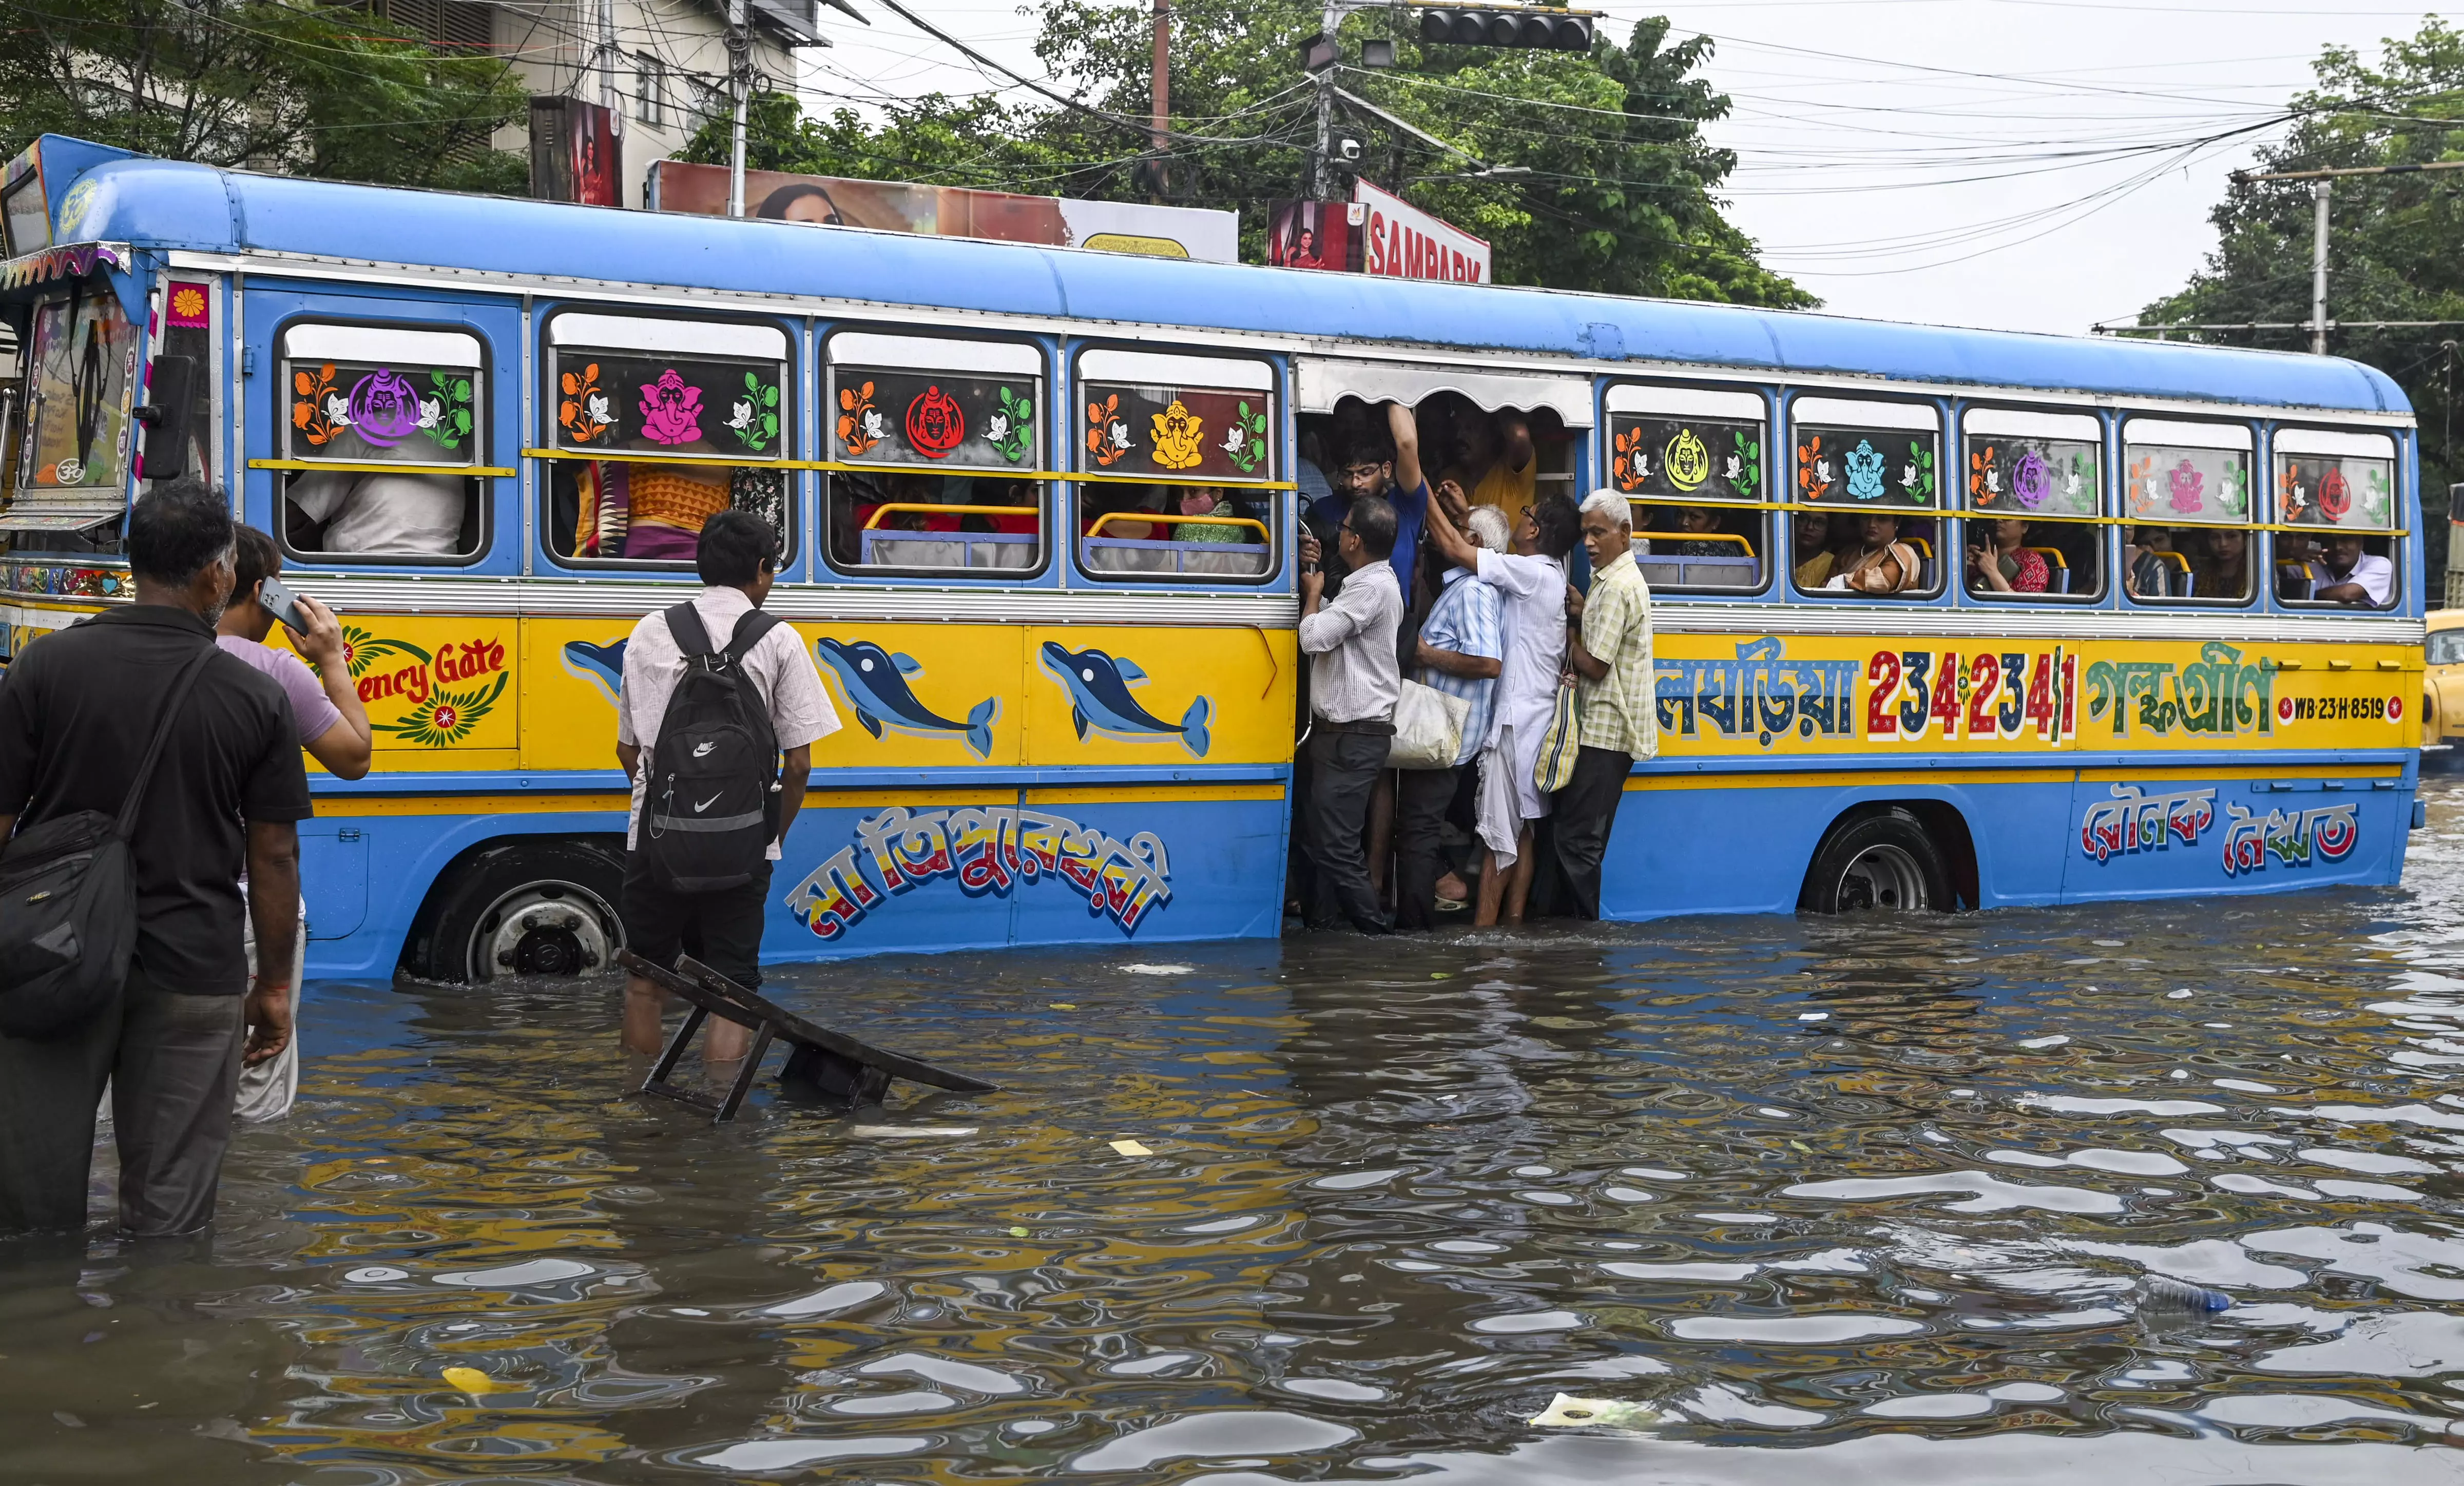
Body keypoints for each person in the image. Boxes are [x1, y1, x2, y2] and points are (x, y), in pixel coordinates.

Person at [0, 480, 310, 1238]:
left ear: (135, 563)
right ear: (218, 575)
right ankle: (163, 1342)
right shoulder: (254, 696)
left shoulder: (45, 668)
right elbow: (273, 857)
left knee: (28, 1219)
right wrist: (272, 987)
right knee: (170, 1226)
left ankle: (43, 1345)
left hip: (49, 960)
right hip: (193, 972)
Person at [615, 511, 839, 1059]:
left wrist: (668, 813)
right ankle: (719, 1123)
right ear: (762, 570)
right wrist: (769, 837)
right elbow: (800, 766)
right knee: (731, 992)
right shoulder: (780, 640)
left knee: (645, 982)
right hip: (743, 842)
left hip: (656, 841)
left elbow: (628, 749)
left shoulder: (650, 630)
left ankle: (636, 1110)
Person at [216, 526, 375, 1121]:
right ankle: (250, 1214)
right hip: (250, 909)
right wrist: (330, 657)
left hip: (144, 904)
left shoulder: (138, 656)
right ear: (261, 591)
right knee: (252, 1085)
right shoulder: (277, 671)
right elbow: (354, 757)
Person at [1424, 490, 1577, 927]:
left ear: (1532, 529)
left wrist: (1421, 493)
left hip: (1514, 724)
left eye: (1526, 514)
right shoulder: (1549, 573)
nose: (1520, 520)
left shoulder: (1530, 572)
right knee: (1525, 834)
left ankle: (1485, 939)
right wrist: (1463, 514)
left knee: (1498, 839)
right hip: (1536, 721)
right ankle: (1511, 932)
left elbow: (1458, 549)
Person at [1396, 505, 1508, 928]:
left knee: (1418, 832)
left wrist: (1426, 654)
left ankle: (1415, 928)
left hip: (1444, 735)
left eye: (1460, 530)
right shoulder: (1467, 588)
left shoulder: (1475, 591)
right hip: (1442, 733)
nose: (1450, 537)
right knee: (1417, 829)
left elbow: (1488, 663)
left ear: (1475, 542)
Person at [1296, 495, 1401, 934]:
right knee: (1318, 840)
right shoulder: (1369, 580)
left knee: (1336, 845)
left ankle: (1377, 939)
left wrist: (1315, 595)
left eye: (1343, 527)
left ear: (1355, 539)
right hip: (1341, 735)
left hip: (1353, 735)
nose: (1338, 532)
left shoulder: (1373, 588)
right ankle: (1322, 927)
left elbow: (1314, 637)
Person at [1557, 490, 1658, 919]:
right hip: (1605, 730)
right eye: (1585, 534)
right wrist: (1583, 613)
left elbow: (1595, 665)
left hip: (1607, 730)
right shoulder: (1613, 580)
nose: (1589, 543)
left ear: (1625, 532)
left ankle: (1582, 940)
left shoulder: (1616, 585)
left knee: (1578, 841)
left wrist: (1563, 636)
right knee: (1579, 837)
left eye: (1598, 533)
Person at [286, 469, 464, 555]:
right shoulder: (448, 438)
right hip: (443, 561)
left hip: (359, 559)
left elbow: (305, 508)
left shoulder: (366, 429)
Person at [1458, 407, 1538, 532]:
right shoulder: (1451, 478)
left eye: (1470, 428)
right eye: (1458, 429)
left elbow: (1519, 435)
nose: (1460, 436)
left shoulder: (1510, 474)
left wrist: (1493, 400)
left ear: (1492, 437)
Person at [1827, 512, 1920, 594]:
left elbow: (1882, 581)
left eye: (1881, 519)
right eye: (1866, 517)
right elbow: (1825, 587)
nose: (1871, 524)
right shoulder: (1847, 553)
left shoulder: (1903, 553)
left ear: (1896, 523)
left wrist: (1845, 581)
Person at [2296, 532, 2394, 607]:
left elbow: (2347, 595)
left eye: (2346, 540)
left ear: (2360, 544)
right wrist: (2296, 556)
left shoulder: (2380, 565)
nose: (2338, 547)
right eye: (2331, 540)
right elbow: (2282, 569)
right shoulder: (2311, 565)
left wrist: (2308, 595)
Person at [1966, 517, 2047, 595]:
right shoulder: (1979, 555)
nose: (1998, 520)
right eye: (1994, 517)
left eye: (2007, 518)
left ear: (2025, 527)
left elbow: (2027, 606)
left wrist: (1992, 572)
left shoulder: (2032, 561)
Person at [2188, 525, 2249, 600]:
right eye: (2215, 538)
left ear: (2246, 539)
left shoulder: (2255, 574)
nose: (2223, 544)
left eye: (2232, 536)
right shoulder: (2199, 574)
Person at [1791, 510, 1840, 588]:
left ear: (1828, 529)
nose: (1809, 527)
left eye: (1819, 523)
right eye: (1803, 519)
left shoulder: (1830, 563)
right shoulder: (1773, 555)